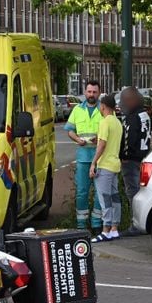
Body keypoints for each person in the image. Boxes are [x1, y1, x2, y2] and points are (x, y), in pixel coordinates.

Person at [65, 80, 104, 232]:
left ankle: (96, 223)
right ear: (85, 92)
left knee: (99, 191)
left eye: (94, 92)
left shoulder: (103, 109)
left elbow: (111, 130)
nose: (91, 95)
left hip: (100, 157)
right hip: (82, 157)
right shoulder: (77, 110)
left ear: (99, 93)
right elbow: (69, 130)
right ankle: (81, 225)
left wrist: (99, 138)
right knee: (82, 191)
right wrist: (76, 139)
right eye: (89, 92)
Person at [89, 95, 124, 242]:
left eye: (100, 105)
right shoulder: (117, 123)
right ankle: (114, 228)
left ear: (103, 106)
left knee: (104, 198)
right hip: (115, 165)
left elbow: (102, 145)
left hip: (104, 165)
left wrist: (93, 163)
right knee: (115, 197)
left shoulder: (104, 122)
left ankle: (105, 230)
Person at [118, 87, 152, 236]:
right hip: (143, 157)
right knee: (140, 192)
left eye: (124, 101)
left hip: (131, 160)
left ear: (131, 100)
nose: (121, 105)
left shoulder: (132, 118)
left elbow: (129, 139)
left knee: (133, 193)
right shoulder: (145, 115)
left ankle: (136, 225)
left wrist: (124, 155)